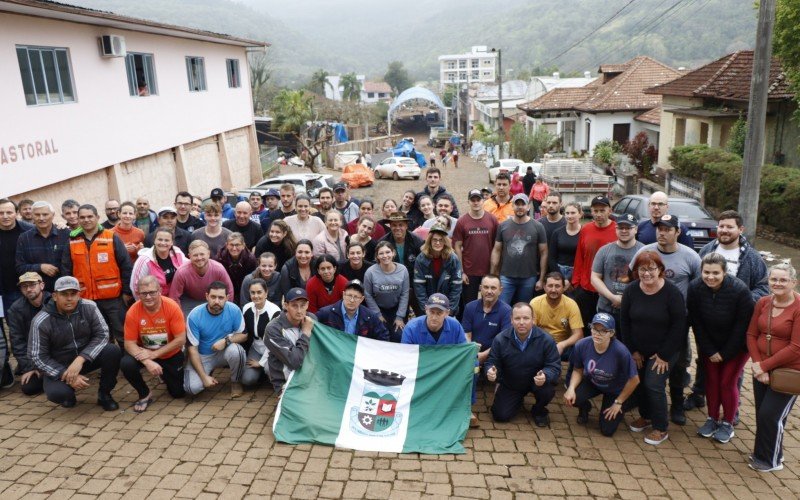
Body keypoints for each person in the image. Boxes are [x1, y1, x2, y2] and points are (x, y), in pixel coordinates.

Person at [686, 209, 770, 411]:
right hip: (708, 317)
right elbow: (697, 280)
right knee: (706, 357)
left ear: (740, 229)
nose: (724, 230)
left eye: (729, 227)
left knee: (733, 367)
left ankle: (733, 404)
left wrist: (743, 300)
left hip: (737, 321)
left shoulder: (752, 257)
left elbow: (763, 286)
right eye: (721, 226)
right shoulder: (706, 250)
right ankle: (699, 393)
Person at [632, 213, 701, 425]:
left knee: (679, 365)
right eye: (659, 228)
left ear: (678, 232)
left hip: (679, 321)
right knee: (650, 368)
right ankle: (647, 409)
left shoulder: (690, 257)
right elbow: (633, 278)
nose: (662, 233)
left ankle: (677, 404)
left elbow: (699, 288)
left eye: (668, 229)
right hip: (650, 318)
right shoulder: (645, 251)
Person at [687, 253, 754, 443]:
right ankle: (712, 418)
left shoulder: (740, 290)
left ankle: (728, 423)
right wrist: (710, 350)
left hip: (737, 346)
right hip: (710, 344)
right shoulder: (695, 288)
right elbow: (696, 322)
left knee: (727, 382)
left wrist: (724, 354)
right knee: (712, 381)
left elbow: (742, 326)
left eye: (715, 273)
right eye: (706, 272)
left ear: (724, 272)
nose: (710, 277)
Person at [621, 251, 686, 446]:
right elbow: (624, 321)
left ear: (660, 270)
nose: (646, 273)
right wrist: (633, 350)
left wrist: (664, 355)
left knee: (653, 384)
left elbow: (679, 326)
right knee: (639, 381)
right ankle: (646, 416)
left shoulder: (672, 293)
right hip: (639, 350)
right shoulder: (631, 290)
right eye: (642, 269)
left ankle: (660, 427)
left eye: (651, 269)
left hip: (665, 350)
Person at [28, 276, 122, 410]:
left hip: (85, 359)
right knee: (58, 394)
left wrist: (81, 359)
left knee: (112, 351)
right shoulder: (41, 320)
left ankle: (104, 394)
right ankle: (68, 395)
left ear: (79, 295)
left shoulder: (90, 307)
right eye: (64, 294)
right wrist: (65, 374)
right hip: (60, 364)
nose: (69, 298)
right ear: (55, 296)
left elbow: (102, 334)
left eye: (73, 294)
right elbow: (37, 356)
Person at [746, 263, 799, 472]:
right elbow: (751, 334)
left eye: (783, 280)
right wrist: (758, 363)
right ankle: (764, 453)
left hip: (789, 371)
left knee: (771, 415)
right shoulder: (763, 302)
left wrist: (764, 366)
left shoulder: (798, 307)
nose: (777, 283)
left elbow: (796, 347)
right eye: (774, 279)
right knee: (763, 413)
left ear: (793, 282)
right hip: (762, 368)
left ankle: (771, 460)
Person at [62, 204, 132, 347]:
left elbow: (126, 266)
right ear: (78, 219)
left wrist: (126, 292)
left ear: (97, 218)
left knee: (122, 332)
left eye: (90, 216)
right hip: (86, 300)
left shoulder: (111, 237)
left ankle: (129, 364)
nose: (86, 220)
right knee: (99, 335)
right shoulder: (72, 241)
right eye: (82, 217)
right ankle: (109, 364)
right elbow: (66, 270)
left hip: (114, 298)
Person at [485, 302, 561, 426]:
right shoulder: (500, 339)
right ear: (511, 320)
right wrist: (490, 371)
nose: (521, 322)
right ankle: (517, 400)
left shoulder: (546, 339)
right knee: (500, 415)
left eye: (526, 318)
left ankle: (539, 410)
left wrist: (546, 375)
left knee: (547, 390)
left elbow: (554, 366)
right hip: (511, 383)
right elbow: (492, 362)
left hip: (537, 382)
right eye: (517, 318)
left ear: (533, 320)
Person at [563, 312, 640, 436]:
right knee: (574, 398)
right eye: (595, 329)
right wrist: (571, 388)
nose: (597, 334)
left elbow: (634, 380)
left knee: (607, 430)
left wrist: (618, 402)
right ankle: (585, 408)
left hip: (615, 390)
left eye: (603, 331)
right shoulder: (582, 345)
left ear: (612, 333)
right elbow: (578, 369)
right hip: (593, 382)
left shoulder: (621, 352)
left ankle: (624, 406)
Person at [121, 276, 187, 412]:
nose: (148, 297)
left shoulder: (172, 307)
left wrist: (155, 354)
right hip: (144, 352)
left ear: (160, 291)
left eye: (152, 292)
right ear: (138, 294)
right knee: (126, 363)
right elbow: (129, 344)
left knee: (178, 393)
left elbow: (181, 339)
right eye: (144, 293)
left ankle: (165, 374)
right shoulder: (133, 312)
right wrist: (147, 360)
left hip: (169, 354)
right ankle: (144, 393)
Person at [184, 281, 247, 397]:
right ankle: (206, 372)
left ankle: (236, 382)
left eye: (221, 297)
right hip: (203, 355)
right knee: (192, 388)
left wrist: (226, 341)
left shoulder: (234, 310)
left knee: (237, 351)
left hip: (224, 352)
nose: (217, 301)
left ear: (227, 298)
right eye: (213, 297)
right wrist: (204, 377)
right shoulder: (194, 315)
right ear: (207, 296)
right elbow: (192, 350)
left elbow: (244, 335)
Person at [590, 213, 643, 334]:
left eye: (628, 227)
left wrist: (626, 300)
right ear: (616, 229)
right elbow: (595, 278)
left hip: (634, 309)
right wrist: (612, 297)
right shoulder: (604, 250)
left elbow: (648, 281)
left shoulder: (643, 251)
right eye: (620, 227)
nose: (624, 231)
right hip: (606, 308)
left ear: (636, 229)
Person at [572, 195, 617, 336]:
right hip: (586, 288)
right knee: (586, 326)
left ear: (609, 210)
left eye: (602, 210)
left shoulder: (617, 230)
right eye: (595, 210)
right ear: (591, 211)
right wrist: (576, 282)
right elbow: (580, 256)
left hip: (608, 290)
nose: (598, 214)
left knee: (606, 328)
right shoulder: (586, 229)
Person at [490, 193, 547, 305]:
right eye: (517, 204)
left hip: (529, 277)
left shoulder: (538, 226)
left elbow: (544, 252)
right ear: (512, 206)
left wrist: (541, 278)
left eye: (523, 204)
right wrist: (493, 275)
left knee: (524, 309)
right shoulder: (503, 226)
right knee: (502, 307)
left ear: (528, 206)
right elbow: (496, 250)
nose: (520, 207)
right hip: (506, 276)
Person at [453, 189, 499, 309]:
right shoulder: (462, 221)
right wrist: (461, 271)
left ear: (483, 200)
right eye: (473, 200)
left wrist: (495, 270)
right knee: (469, 305)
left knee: (489, 303)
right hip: (469, 271)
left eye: (478, 199)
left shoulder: (492, 220)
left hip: (488, 271)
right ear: (468, 201)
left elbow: (497, 246)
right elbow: (457, 246)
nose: (476, 202)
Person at [264, 287, 316, 393]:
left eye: (303, 305)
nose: (299, 310)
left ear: (307, 305)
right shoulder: (273, 328)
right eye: (294, 306)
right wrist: (305, 333)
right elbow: (294, 362)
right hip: (286, 382)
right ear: (286, 305)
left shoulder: (311, 319)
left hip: (309, 379)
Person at [7, 272, 51, 395]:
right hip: (34, 358)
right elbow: (17, 341)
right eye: (24, 286)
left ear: (41, 285)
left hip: (57, 354)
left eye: (32, 284)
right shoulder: (15, 309)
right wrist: (29, 368)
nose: (28, 289)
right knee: (29, 388)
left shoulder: (54, 302)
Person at [169, 240, 233, 316]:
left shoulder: (218, 269)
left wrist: (225, 311)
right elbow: (174, 297)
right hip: (190, 301)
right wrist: (179, 317)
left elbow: (229, 291)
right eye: (195, 255)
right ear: (189, 256)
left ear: (208, 254)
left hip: (213, 300)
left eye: (202, 254)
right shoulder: (182, 272)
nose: (199, 258)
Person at [530, 272, 584, 363]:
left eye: (557, 286)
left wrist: (562, 345)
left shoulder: (571, 304)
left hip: (563, 346)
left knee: (580, 348)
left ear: (563, 287)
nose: (553, 290)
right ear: (544, 286)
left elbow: (579, 335)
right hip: (540, 343)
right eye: (550, 286)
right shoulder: (535, 303)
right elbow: (530, 330)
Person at [15, 201, 68, 292]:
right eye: (37, 215)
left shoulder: (66, 234)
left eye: (45, 214)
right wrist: (40, 267)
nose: (41, 218)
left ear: (53, 215)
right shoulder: (24, 238)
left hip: (65, 289)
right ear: (32, 216)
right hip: (38, 294)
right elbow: (19, 267)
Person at [462, 275, 512, 370]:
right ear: (480, 288)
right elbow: (466, 335)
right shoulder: (470, 307)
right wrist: (472, 351)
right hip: (471, 352)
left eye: (493, 288)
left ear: (500, 290)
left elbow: (503, 341)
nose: (489, 291)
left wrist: (483, 355)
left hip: (495, 354)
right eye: (486, 287)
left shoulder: (507, 311)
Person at [378, 212, 424, 315]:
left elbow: (423, 264)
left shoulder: (417, 241)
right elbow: (379, 265)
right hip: (393, 283)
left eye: (401, 225)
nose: (397, 228)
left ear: (406, 225)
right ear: (390, 226)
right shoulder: (383, 242)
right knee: (399, 316)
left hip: (415, 281)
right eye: (394, 225)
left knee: (422, 312)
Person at [364, 241, 410, 342]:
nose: (385, 256)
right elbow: (368, 295)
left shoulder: (403, 270)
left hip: (396, 308)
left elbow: (405, 293)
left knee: (398, 336)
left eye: (388, 252)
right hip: (379, 308)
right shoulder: (370, 272)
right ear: (377, 256)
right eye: (381, 253)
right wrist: (377, 314)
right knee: (381, 336)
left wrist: (400, 317)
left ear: (393, 253)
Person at [412, 224, 462, 316]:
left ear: (445, 242)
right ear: (429, 241)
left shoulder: (453, 259)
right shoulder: (421, 259)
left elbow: (456, 288)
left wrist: (449, 310)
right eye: (435, 240)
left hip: (447, 307)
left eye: (441, 240)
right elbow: (419, 288)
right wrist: (426, 309)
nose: (438, 243)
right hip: (427, 308)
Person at [240, 279, 281, 388]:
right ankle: (260, 374)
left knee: (269, 371)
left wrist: (261, 363)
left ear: (266, 293)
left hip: (272, 350)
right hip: (256, 348)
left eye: (259, 292)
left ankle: (265, 370)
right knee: (247, 380)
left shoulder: (275, 311)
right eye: (253, 293)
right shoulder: (246, 308)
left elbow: (274, 341)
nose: (256, 296)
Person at [316, 279, 389, 341]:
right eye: (349, 296)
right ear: (343, 295)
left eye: (356, 297)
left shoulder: (370, 316)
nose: (352, 300)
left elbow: (383, 337)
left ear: (362, 299)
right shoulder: (325, 313)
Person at [130, 227, 188, 301]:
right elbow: (135, 286)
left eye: (167, 240)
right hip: (152, 301)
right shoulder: (144, 260)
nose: (163, 243)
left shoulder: (177, 253)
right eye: (160, 239)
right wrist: (145, 303)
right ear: (154, 240)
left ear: (172, 242)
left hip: (174, 300)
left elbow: (188, 267)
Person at [215, 232, 257, 305]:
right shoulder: (219, 258)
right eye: (231, 245)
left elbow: (253, 280)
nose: (234, 248)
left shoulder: (251, 259)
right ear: (227, 245)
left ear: (243, 246)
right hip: (226, 291)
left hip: (245, 291)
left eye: (237, 245)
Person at [547, 202, 581, 288]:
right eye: (567, 213)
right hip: (558, 271)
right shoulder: (557, 233)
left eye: (573, 213)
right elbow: (551, 257)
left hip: (576, 273)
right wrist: (560, 278)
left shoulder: (585, 233)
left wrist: (570, 279)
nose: (570, 216)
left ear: (580, 214)